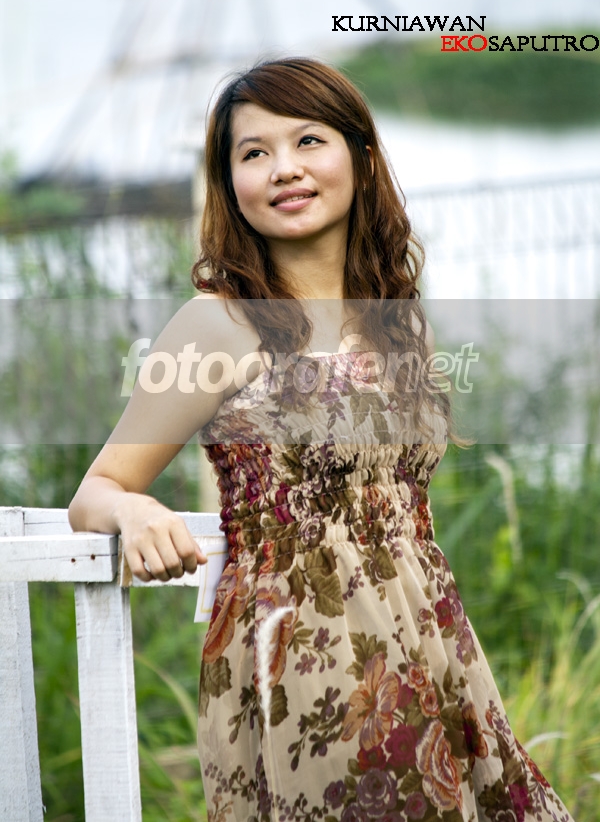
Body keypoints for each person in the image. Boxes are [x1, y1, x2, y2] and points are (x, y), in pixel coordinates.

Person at [69, 57, 574, 822]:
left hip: (430, 638)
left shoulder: (394, 318)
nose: (284, 168)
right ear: (230, 183)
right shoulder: (217, 325)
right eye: (254, 152)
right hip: (308, 659)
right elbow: (97, 490)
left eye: (308, 140)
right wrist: (135, 512)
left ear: (360, 157)